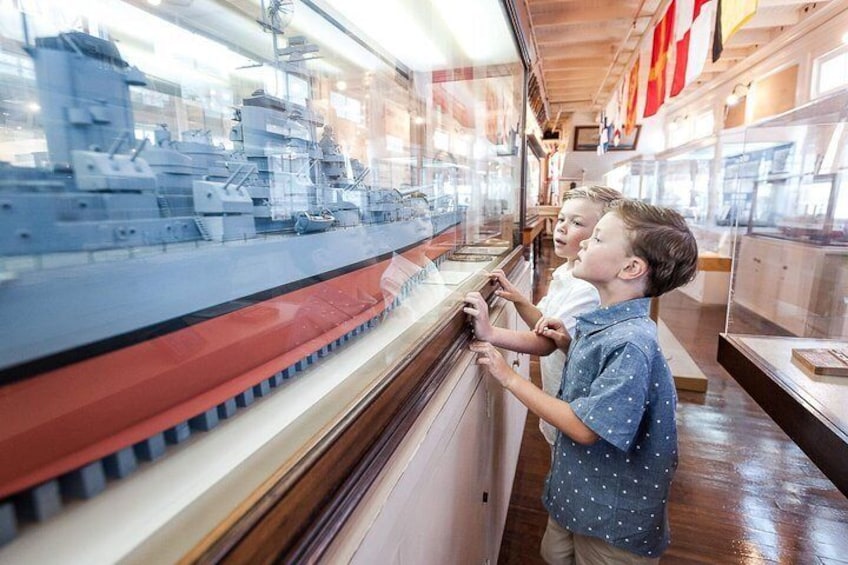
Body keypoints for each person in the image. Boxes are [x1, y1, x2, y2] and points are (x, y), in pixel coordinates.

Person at [468, 200, 698, 563]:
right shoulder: (607, 322)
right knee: (554, 552)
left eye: (598, 238)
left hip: (612, 516)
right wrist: (568, 343)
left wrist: (509, 377)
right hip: (578, 493)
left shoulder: (631, 342)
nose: (586, 242)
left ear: (631, 267)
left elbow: (585, 428)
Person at [464, 185, 622, 448]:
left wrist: (490, 333)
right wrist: (520, 300)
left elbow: (546, 343)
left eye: (576, 222)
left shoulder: (586, 288)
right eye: (561, 218)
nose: (561, 227)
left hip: (571, 400)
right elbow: (545, 323)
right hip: (558, 389)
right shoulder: (567, 271)